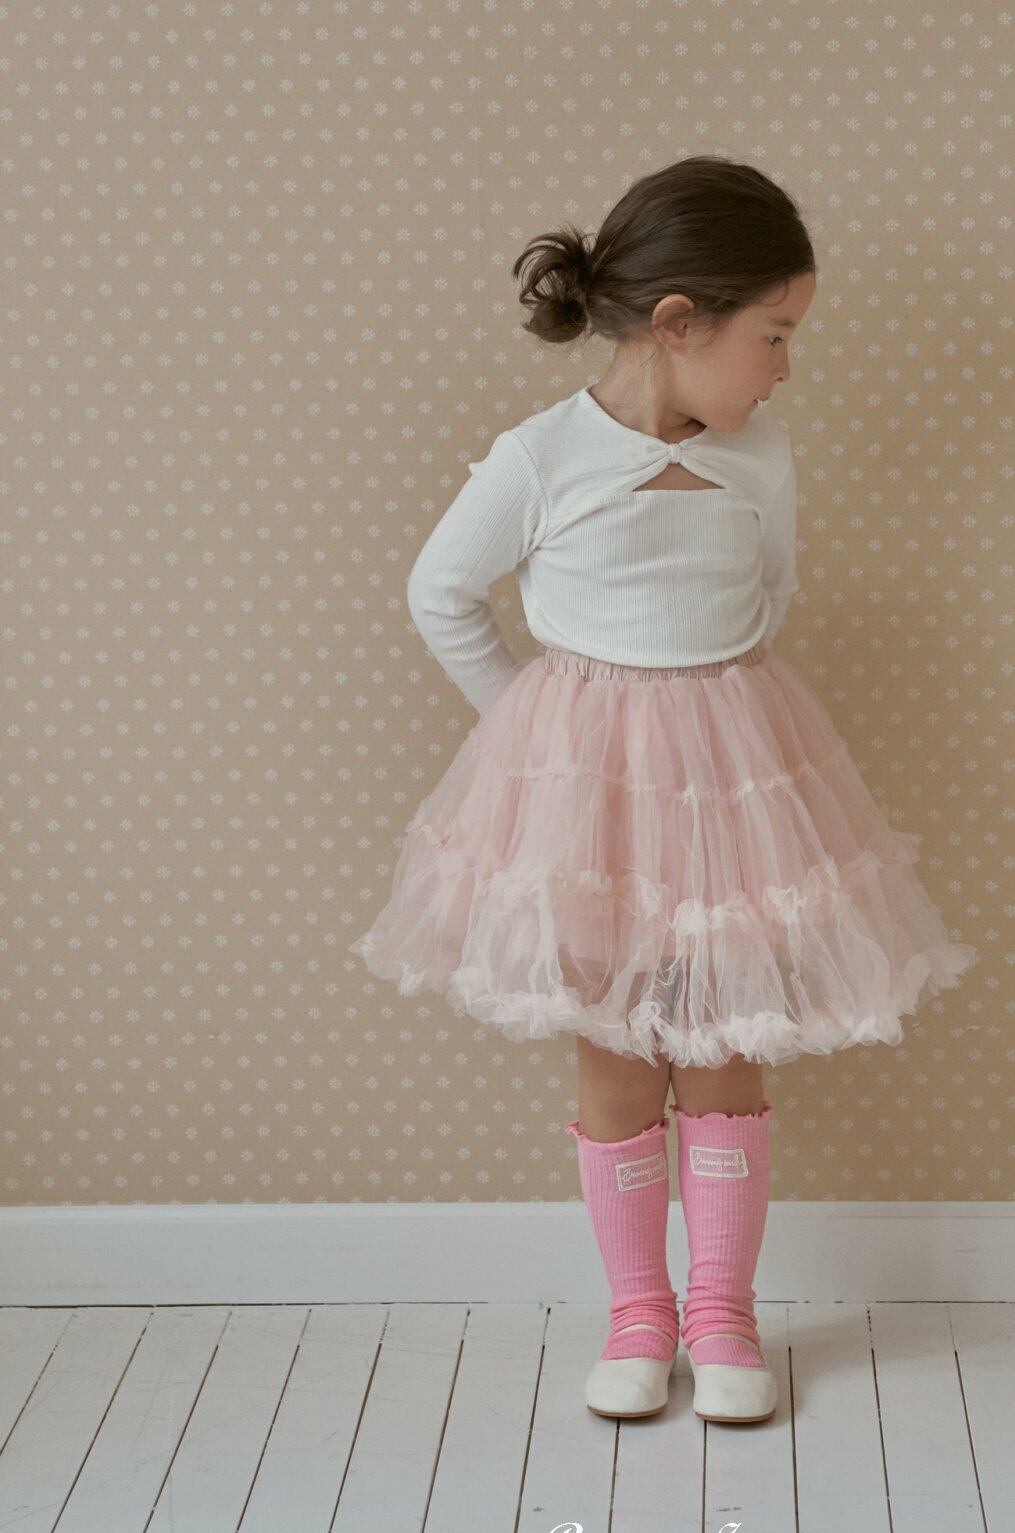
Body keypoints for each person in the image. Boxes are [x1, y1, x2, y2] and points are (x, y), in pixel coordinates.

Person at [348, 154, 978, 1426]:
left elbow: (767, 592)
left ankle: (724, 1312)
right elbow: (440, 594)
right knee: (618, 1060)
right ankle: (639, 1312)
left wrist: (697, 713)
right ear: (680, 322)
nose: (784, 369)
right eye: (773, 336)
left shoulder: (760, 457)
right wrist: (536, 737)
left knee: (726, 1054)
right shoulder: (540, 459)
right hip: (592, 816)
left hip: (735, 789)